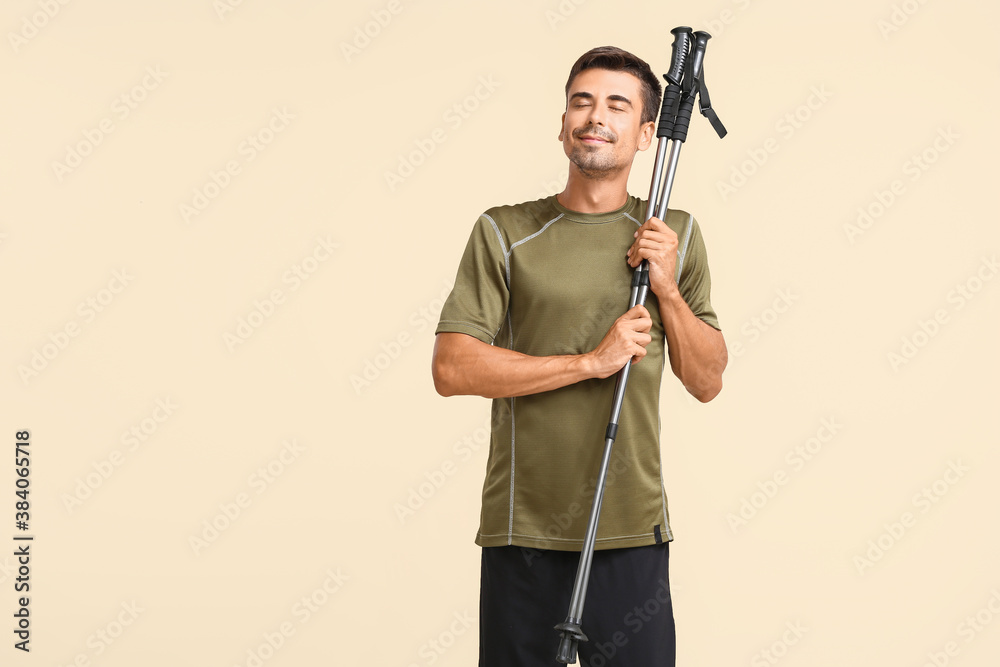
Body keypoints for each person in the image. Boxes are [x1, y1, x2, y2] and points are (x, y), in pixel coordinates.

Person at [431, 45, 727, 667]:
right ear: (563, 122)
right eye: (581, 101)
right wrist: (590, 363)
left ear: (647, 133)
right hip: (526, 529)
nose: (595, 116)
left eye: (617, 105)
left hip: (630, 527)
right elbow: (453, 367)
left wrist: (667, 285)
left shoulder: (677, 235)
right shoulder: (505, 231)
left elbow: (706, 379)